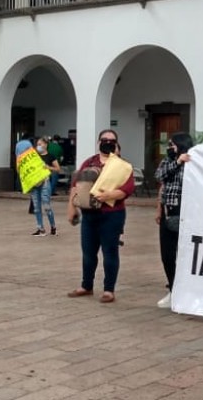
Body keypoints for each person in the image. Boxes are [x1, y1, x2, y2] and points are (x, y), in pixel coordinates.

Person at [66, 129, 135, 303]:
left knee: (110, 252)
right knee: (88, 253)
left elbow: (128, 189)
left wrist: (109, 196)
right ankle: (86, 285)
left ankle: (108, 290)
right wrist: (71, 208)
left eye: (111, 140)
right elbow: (75, 185)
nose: (107, 142)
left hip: (112, 215)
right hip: (89, 215)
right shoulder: (89, 162)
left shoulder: (122, 166)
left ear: (117, 144)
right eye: (104, 140)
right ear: (98, 142)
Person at [154, 132, 193, 309]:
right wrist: (177, 162)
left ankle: (186, 291)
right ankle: (173, 288)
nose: (169, 147)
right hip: (168, 213)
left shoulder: (193, 163)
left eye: (172, 144)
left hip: (186, 214)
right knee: (167, 255)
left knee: (186, 255)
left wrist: (184, 162)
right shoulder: (168, 162)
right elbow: (159, 176)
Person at [31, 137, 61, 236]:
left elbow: (57, 169)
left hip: (45, 182)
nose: (38, 146)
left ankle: (53, 227)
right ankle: (40, 228)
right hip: (35, 183)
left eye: (40, 144)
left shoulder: (50, 156)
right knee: (36, 207)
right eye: (37, 144)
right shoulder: (34, 156)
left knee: (46, 206)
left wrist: (48, 167)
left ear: (46, 144)